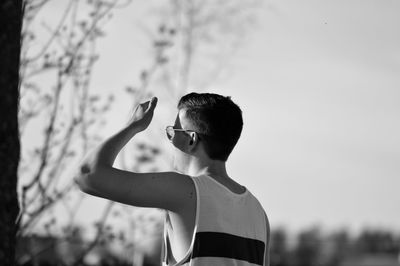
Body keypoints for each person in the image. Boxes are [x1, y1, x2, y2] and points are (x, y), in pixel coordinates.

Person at [75, 92, 270, 266]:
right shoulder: (258, 212)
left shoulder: (186, 191)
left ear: (191, 139)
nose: (170, 140)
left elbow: (88, 174)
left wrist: (133, 126)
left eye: (173, 132)